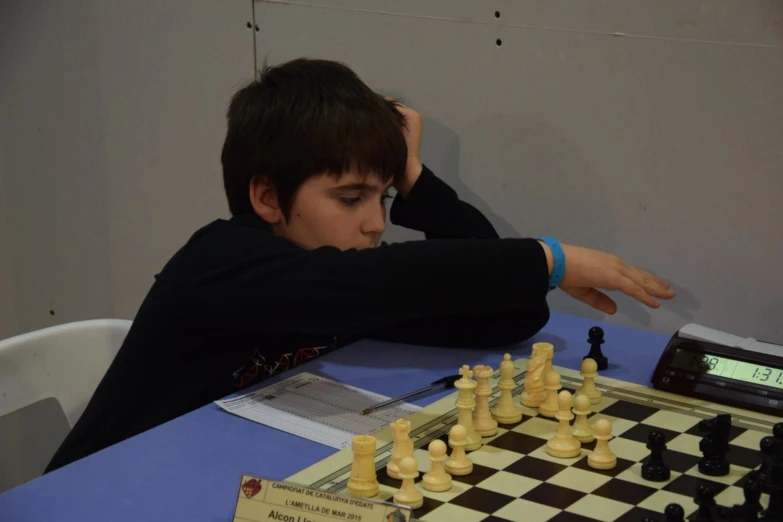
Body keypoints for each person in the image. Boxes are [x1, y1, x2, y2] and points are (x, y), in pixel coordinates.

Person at [45, 58, 674, 472]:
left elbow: (504, 314)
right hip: (100, 493)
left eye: (385, 197)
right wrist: (548, 258)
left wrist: (415, 176)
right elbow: (371, 285)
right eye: (350, 199)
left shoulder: (346, 278)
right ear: (267, 197)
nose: (376, 222)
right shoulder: (221, 262)